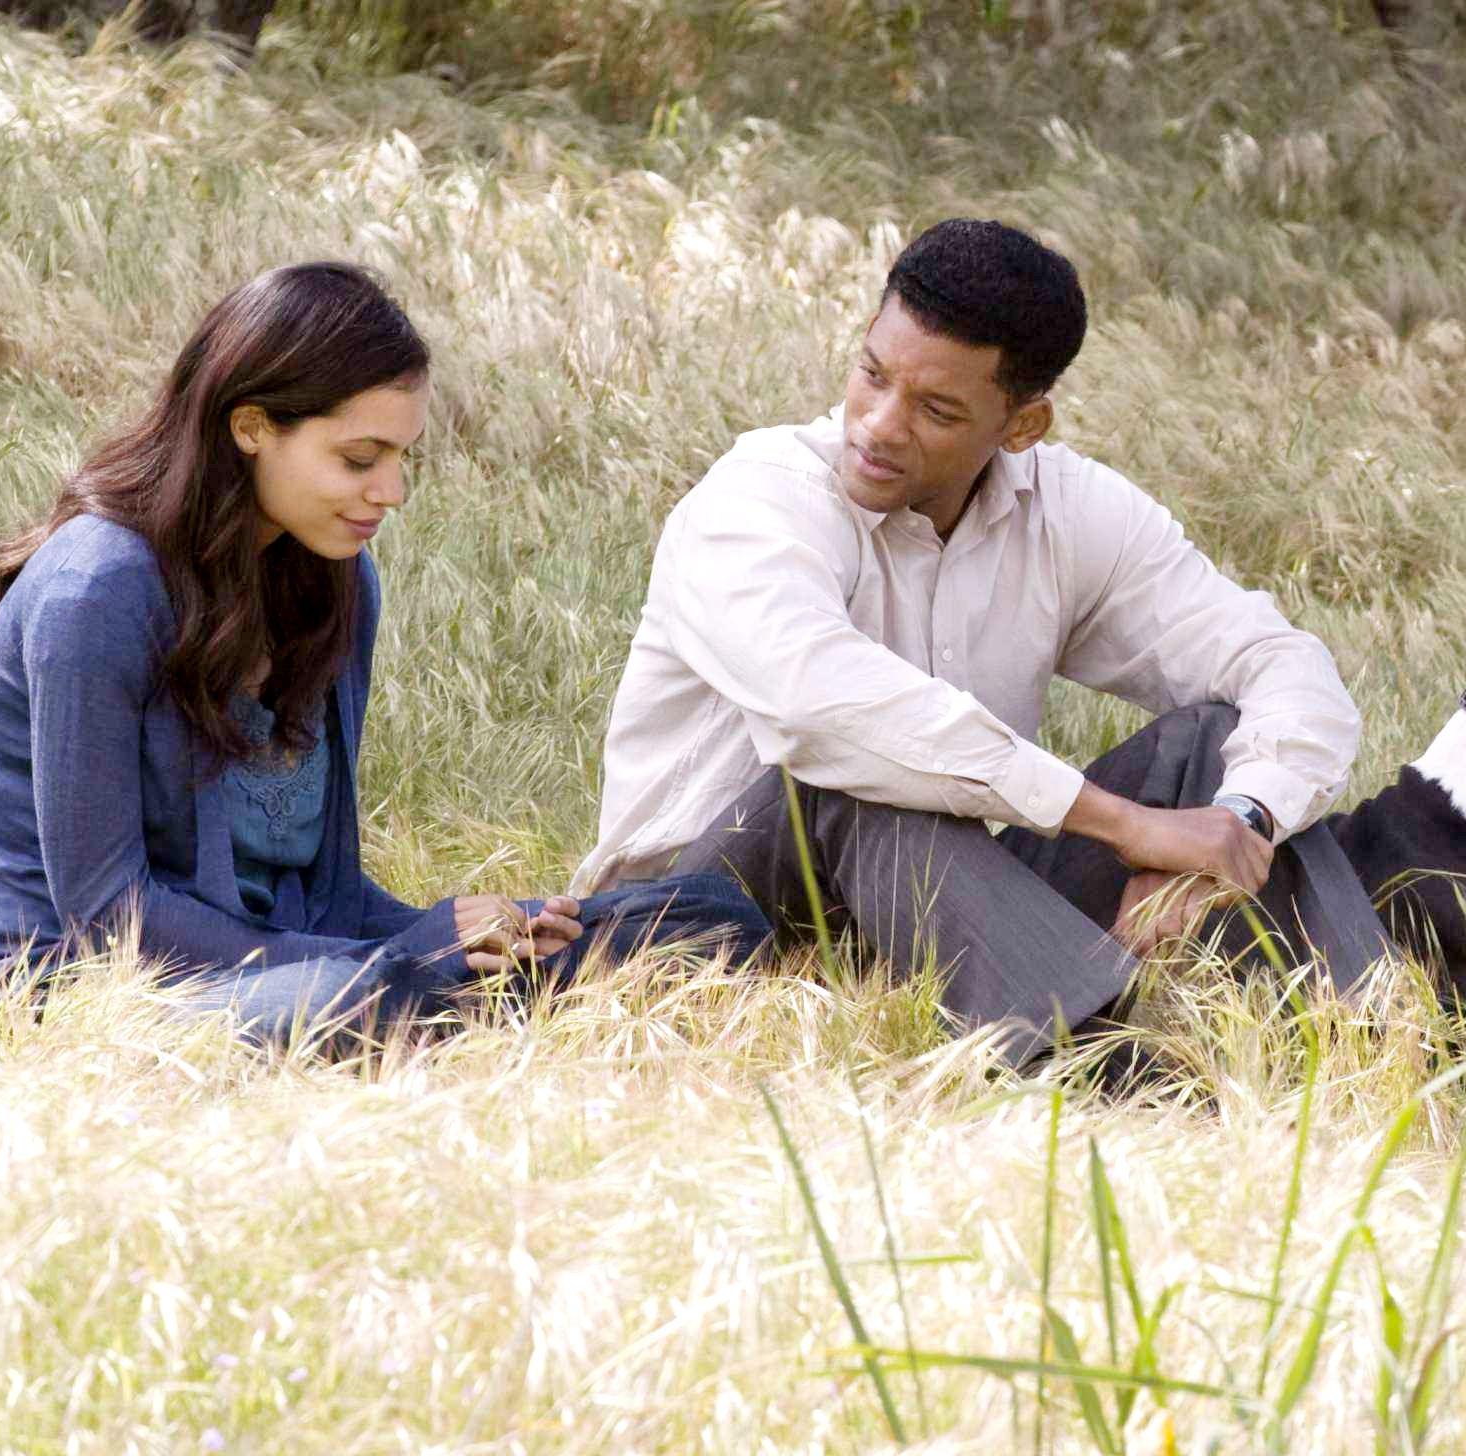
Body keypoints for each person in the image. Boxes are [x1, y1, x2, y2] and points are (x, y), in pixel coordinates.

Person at [0, 261, 765, 1043]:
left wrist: (469, 926)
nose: (389, 491)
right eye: (358, 456)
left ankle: (469, 997)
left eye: (400, 458)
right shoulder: (97, 589)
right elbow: (109, 920)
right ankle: (442, 1009)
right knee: (371, 1003)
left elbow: (324, 887)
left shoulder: (338, 580)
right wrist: (394, 962)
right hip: (95, 997)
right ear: (252, 426)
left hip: (302, 967)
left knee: (708, 915)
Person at [573, 219, 1388, 1071]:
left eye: (935, 409)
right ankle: (1102, 1081)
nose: (879, 426)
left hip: (933, 913)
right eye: (871, 374)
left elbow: (1284, 665)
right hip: (694, 927)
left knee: (1214, 741)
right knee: (854, 777)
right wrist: (1124, 827)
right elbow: (824, 709)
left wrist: (1235, 823)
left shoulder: (1069, 511)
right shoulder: (758, 498)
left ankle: (1368, 1051)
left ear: (1022, 425)